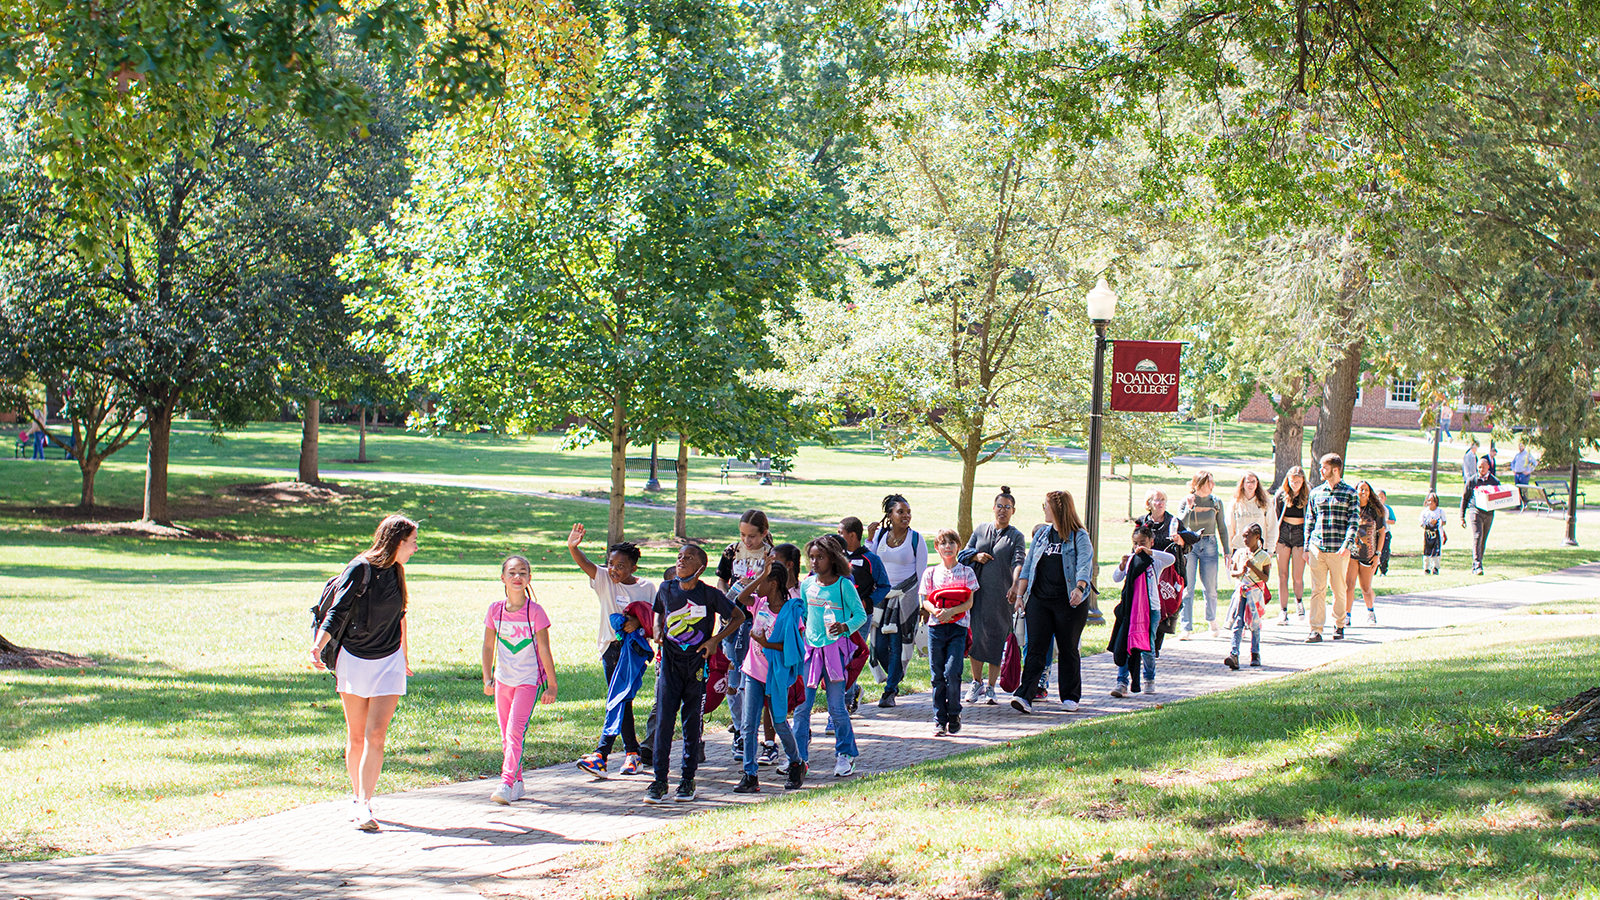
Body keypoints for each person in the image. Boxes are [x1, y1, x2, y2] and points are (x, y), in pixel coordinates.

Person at [310, 514, 419, 832]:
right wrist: (317, 647)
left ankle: (364, 804)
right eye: (412, 542)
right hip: (355, 659)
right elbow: (337, 611)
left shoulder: (397, 571)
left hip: (389, 661)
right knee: (357, 737)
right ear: (398, 541)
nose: (415, 549)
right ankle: (357, 798)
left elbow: (400, 616)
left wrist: (405, 656)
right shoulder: (360, 568)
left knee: (376, 735)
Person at [644, 544, 744, 805]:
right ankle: (659, 780)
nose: (680, 561)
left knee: (691, 722)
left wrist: (714, 641)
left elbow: (738, 616)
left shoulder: (709, 594)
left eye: (687, 558)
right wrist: (657, 631)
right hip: (670, 664)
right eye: (678, 557)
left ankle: (687, 779)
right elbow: (659, 613)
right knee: (664, 721)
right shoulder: (666, 588)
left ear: (700, 568)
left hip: (697, 665)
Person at [567, 525, 654, 778]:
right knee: (621, 698)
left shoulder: (647, 587)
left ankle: (603, 755)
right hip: (610, 649)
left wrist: (637, 622)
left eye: (620, 565)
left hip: (634, 651)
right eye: (611, 563)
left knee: (620, 697)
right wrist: (573, 546)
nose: (614, 569)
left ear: (633, 568)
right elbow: (585, 564)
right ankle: (631, 755)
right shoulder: (604, 579)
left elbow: (652, 619)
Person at [1009, 490, 1094, 714]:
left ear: (1057, 508)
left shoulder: (1079, 536)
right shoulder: (1042, 535)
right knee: (1035, 648)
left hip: (1069, 602)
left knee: (1068, 649)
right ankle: (1025, 695)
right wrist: (1020, 596)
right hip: (1040, 600)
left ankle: (1070, 697)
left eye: (1046, 505)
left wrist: (1079, 588)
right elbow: (1028, 566)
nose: (1044, 509)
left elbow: (1085, 564)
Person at [480, 556, 557, 805]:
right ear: (502, 578)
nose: (517, 577)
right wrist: (487, 678)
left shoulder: (535, 611)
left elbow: (544, 650)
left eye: (523, 573)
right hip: (503, 681)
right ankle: (518, 781)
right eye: (512, 573)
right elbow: (488, 646)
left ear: (529, 579)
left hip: (527, 680)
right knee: (506, 735)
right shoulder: (495, 610)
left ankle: (506, 783)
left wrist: (552, 685)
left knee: (515, 731)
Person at [791, 537, 868, 778]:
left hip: (835, 652)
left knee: (836, 708)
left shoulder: (844, 586)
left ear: (833, 559)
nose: (814, 562)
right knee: (802, 708)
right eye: (812, 557)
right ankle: (798, 758)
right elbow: (803, 612)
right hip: (810, 653)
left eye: (820, 557)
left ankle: (845, 755)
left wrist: (845, 627)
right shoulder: (807, 585)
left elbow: (861, 616)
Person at [732, 561, 806, 793]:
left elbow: (793, 647)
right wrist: (760, 575)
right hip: (753, 672)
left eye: (763, 581)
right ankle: (750, 774)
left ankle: (796, 762)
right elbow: (741, 598)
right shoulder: (759, 603)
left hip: (776, 674)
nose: (757, 587)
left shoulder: (791, 611)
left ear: (773, 584)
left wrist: (766, 643)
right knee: (748, 725)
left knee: (780, 722)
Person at [957, 487, 1026, 707]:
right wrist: (976, 555)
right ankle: (976, 682)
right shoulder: (980, 529)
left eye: (1007, 507)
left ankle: (991, 687)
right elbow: (962, 554)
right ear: (993, 508)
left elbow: (1018, 562)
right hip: (978, 595)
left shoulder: (1016, 536)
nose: (1002, 511)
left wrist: (1015, 586)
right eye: (999, 506)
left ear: (1013, 511)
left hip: (1002, 596)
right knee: (977, 638)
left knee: (997, 640)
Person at [715, 510, 774, 758]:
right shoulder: (732, 551)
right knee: (732, 674)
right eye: (742, 535)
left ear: (764, 533)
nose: (747, 541)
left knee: (753, 677)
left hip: (758, 619)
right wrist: (724, 600)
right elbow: (721, 580)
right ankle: (739, 729)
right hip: (732, 617)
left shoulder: (771, 554)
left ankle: (755, 730)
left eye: (752, 536)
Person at [866, 494, 926, 708]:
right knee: (880, 645)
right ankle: (895, 677)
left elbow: (921, 574)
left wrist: (923, 604)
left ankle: (890, 690)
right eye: (901, 512)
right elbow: (871, 561)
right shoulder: (881, 535)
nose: (906, 516)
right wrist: (870, 537)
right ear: (890, 515)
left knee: (897, 645)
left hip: (905, 600)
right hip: (882, 598)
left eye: (908, 512)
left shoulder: (916, 539)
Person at [920, 529, 979, 735]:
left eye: (952, 543)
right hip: (936, 628)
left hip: (958, 628)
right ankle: (939, 719)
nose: (947, 547)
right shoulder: (930, 573)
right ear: (936, 548)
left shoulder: (966, 572)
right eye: (943, 543)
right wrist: (935, 610)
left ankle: (954, 712)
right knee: (937, 675)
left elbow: (969, 601)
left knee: (952, 672)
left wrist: (952, 611)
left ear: (958, 547)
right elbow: (925, 599)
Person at [1108, 526, 1175, 698]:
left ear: (1151, 542)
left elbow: (1171, 559)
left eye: (1143, 543)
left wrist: (1149, 552)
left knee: (1148, 646)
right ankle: (1122, 681)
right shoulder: (1131, 560)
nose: (1138, 547)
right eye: (1135, 543)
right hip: (1131, 608)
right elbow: (1116, 577)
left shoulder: (1155, 561)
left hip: (1151, 609)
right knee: (1125, 644)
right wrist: (1122, 566)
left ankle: (1149, 678)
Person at [1303, 454, 1359, 643]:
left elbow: (1353, 522)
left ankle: (1339, 625)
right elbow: (1309, 521)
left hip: (1338, 550)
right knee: (1317, 589)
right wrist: (1306, 547)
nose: (1320, 471)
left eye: (1324, 468)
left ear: (1335, 470)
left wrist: (1347, 545)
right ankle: (1316, 629)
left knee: (1338, 589)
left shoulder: (1350, 493)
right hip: (1317, 548)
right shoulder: (1316, 493)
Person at [1134, 488, 1199, 651]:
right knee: (1145, 607)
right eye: (1157, 500)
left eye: (1163, 499)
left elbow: (1188, 548)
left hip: (1169, 573)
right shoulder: (1142, 522)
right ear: (1149, 503)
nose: (1161, 503)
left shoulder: (1174, 522)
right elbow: (1134, 544)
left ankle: (1154, 648)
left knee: (1163, 607)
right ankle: (1145, 644)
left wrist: (1181, 542)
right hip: (1146, 572)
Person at [838, 517, 889, 713]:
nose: (838, 537)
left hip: (861, 617)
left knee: (851, 656)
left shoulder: (871, 559)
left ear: (852, 535)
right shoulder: (836, 558)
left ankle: (847, 700)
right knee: (839, 658)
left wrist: (867, 601)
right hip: (838, 615)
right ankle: (850, 692)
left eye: (841, 533)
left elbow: (884, 585)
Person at [1177, 471, 1231, 639]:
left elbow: (1222, 527)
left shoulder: (1216, 502)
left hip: (1210, 544)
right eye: (1210, 482)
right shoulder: (1186, 500)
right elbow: (1180, 525)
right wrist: (1189, 507)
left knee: (1210, 587)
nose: (1213, 485)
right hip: (1190, 544)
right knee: (1188, 587)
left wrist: (1227, 551)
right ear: (1199, 484)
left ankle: (1212, 619)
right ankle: (1186, 626)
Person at [1223, 524, 1271, 669]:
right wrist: (1241, 571)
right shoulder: (1239, 553)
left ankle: (1255, 653)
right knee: (1238, 622)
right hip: (1241, 592)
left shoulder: (1264, 556)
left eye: (1248, 536)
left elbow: (1265, 577)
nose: (1245, 539)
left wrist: (1252, 566)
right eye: (1243, 536)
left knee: (1254, 623)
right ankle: (1234, 653)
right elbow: (1233, 572)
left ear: (1257, 537)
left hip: (1254, 593)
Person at [1273, 467, 1310, 624]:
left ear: (1303, 481)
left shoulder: (1308, 495)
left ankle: (1299, 602)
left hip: (1300, 534)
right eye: (1292, 481)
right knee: (1282, 575)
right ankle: (1283, 610)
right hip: (1284, 533)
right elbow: (1275, 516)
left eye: (1298, 482)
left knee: (1297, 576)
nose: (1295, 484)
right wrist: (1273, 540)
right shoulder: (1281, 495)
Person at [1461, 456, 1501, 575]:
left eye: (1483, 467)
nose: (1481, 470)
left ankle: (1478, 563)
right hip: (1475, 510)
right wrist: (1461, 516)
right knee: (1477, 536)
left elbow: (1499, 496)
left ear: (1488, 467)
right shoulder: (1472, 480)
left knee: (1483, 539)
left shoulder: (1494, 481)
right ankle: (1477, 565)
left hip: (1488, 513)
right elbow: (1464, 498)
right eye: (1479, 467)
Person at [1228, 472, 1277, 555]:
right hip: (1239, 549)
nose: (1251, 485)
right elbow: (1229, 528)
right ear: (1242, 484)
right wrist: (1228, 550)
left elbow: (1272, 527)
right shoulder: (1235, 503)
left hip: (1259, 549)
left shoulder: (1265, 503)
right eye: (1248, 482)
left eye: (1253, 482)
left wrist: (1270, 549)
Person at [1420, 493, 1448, 574]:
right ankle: (1426, 567)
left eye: (1433, 501)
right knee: (1426, 551)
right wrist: (1428, 523)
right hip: (1428, 534)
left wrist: (1437, 522)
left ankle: (1435, 567)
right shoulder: (1425, 512)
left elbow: (1444, 521)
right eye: (1429, 501)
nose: (1430, 503)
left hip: (1437, 534)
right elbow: (1421, 523)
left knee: (1436, 551)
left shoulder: (1440, 511)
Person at [1378, 489, 1397, 576]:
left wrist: (1387, 521)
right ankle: (1373, 570)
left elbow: (1393, 520)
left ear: (1385, 498)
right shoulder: (1373, 508)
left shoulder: (1387, 509)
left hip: (1385, 532)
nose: (1380, 499)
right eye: (1378, 497)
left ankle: (1383, 570)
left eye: (1381, 497)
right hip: (1375, 533)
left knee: (1385, 551)